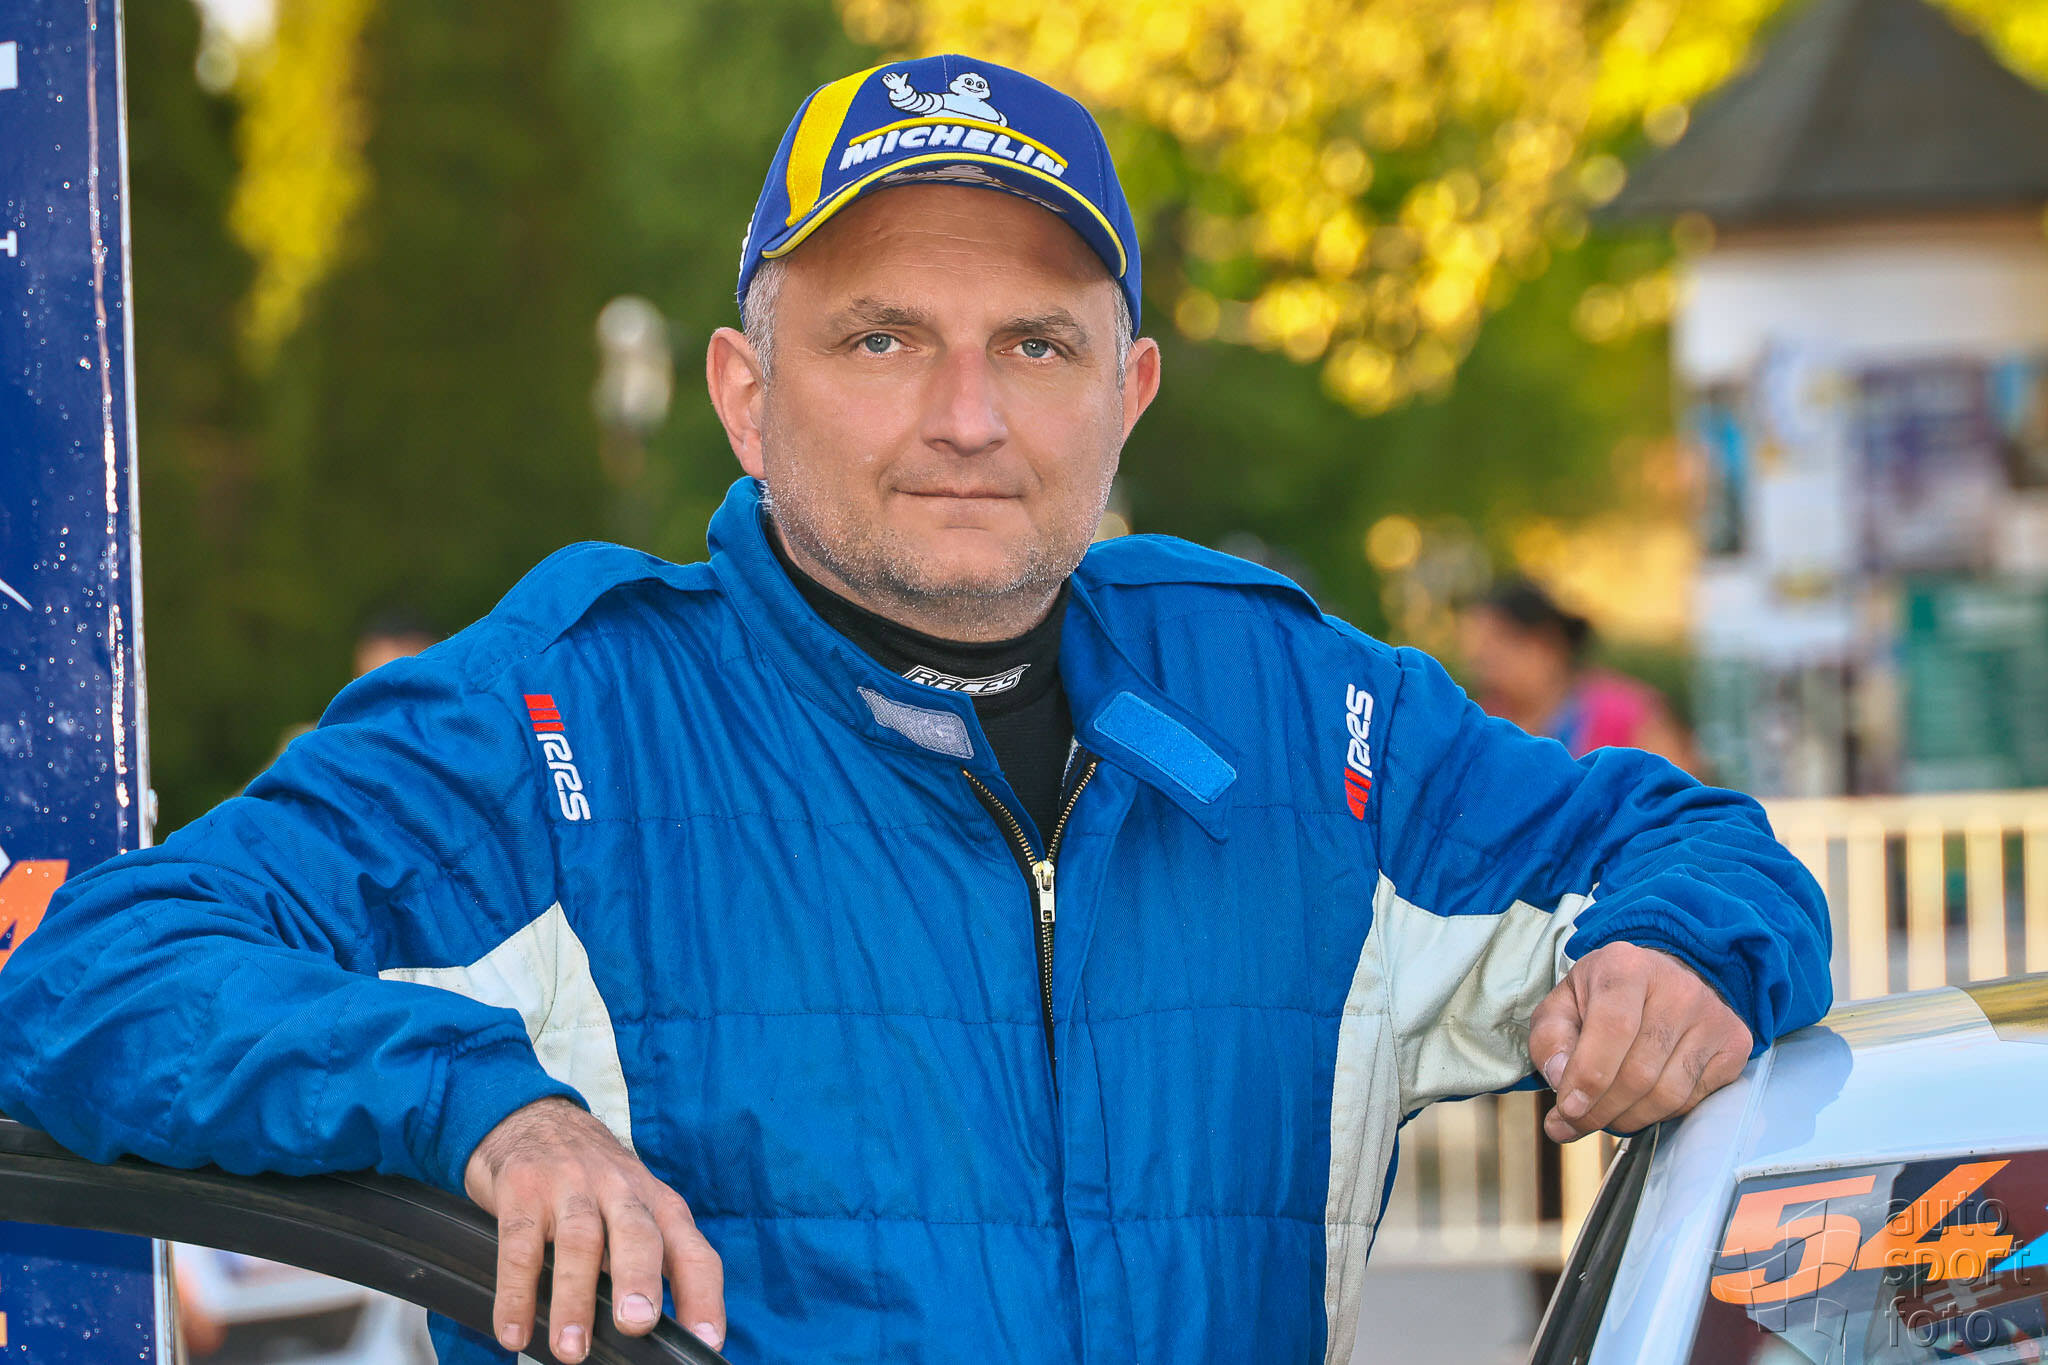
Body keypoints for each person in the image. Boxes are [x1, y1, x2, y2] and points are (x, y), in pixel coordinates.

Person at [0, 55, 1830, 1365]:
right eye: (880, 339)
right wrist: (477, 1108)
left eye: (1035, 345)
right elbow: (89, 975)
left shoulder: (1295, 706)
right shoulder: (556, 724)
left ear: (1128, 391)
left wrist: (1686, 956)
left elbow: (1698, 848)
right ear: (743, 392)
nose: (967, 417)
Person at [1461, 576, 1701, 773]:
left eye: (1497, 647)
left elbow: (1678, 793)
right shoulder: (1486, 722)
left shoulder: (1625, 713)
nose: (1485, 664)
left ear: (1546, 644)